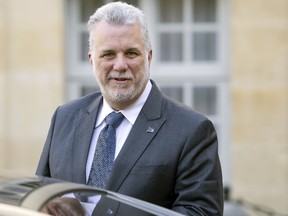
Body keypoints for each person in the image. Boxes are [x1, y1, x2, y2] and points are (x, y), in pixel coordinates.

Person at [36, 1, 223, 215]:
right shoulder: (64, 118)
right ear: (91, 61)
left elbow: (201, 212)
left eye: (131, 53)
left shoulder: (192, 131)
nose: (120, 65)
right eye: (108, 54)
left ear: (149, 57)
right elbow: (39, 198)